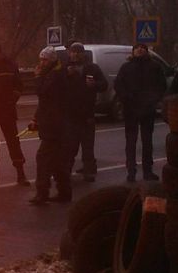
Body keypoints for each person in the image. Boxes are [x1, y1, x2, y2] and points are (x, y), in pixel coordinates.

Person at [114, 43, 166, 182]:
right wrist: (125, 98)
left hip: (147, 109)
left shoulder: (154, 67)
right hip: (130, 109)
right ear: (133, 51)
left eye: (142, 48)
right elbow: (118, 84)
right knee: (131, 142)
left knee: (147, 141)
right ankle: (131, 171)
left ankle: (147, 171)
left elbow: (161, 85)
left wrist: (153, 100)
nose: (139, 50)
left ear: (146, 51)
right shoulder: (126, 67)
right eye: (137, 48)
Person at [0, 41, 29, 187]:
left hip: (7, 112)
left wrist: (12, 100)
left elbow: (19, 86)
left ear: (0, 53)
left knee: (13, 143)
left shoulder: (9, 66)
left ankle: (21, 175)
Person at [29, 46, 72, 205]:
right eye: (41, 59)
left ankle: (42, 193)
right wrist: (36, 119)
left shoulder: (55, 75)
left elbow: (42, 93)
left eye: (45, 59)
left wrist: (38, 77)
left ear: (52, 60)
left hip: (55, 125)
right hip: (53, 123)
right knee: (57, 160)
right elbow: (44, 103)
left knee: (43, 158)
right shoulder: (54, 73)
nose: (42, 63)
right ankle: (64, 192)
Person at [64, 42, 108, 181]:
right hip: (70, 114)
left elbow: (104, 85)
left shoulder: (92, 68)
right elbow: (56, 87)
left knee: (88, 146)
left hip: (87, 113)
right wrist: (66, 75)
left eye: (78, 52)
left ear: (83, 54)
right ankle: (66, 171)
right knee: (70, 146)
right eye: (73, 51)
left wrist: (95, 84)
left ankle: (89, 171)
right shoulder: (65, 68)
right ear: (69, 53)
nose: (75, 54)